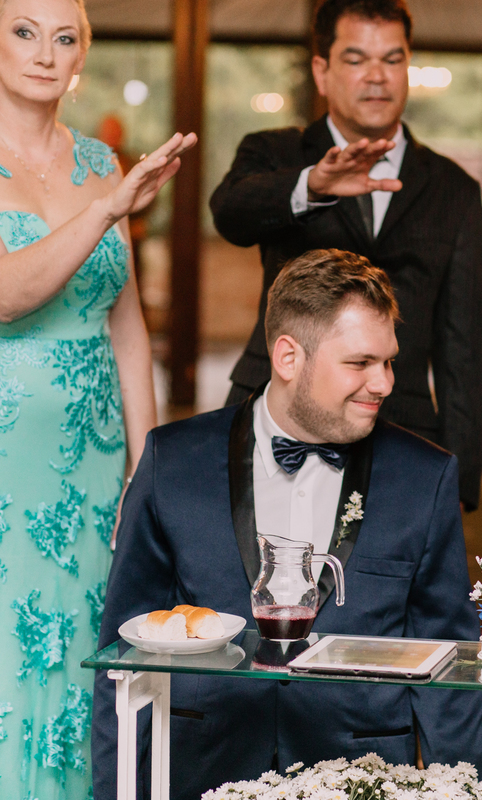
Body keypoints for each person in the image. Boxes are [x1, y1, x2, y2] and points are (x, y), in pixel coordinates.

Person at [91, 249, 482, 800]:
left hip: (363, 776)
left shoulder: (425, 477)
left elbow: (449, 666)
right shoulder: (173, 461)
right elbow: (122, 651)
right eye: (360, 363)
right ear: (287, 356)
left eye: (389, 362)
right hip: (200, 771)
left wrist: (471, 791)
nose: (383, 383)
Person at [0, 0, 195, 796]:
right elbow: (10, 294)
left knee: (87, 649)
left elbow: (128, 327)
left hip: (94, 458)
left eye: (65, 35)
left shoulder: (99, 163)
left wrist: (143, 472)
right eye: (22, 30)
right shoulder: (107, 191)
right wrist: (107, 212)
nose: (45, 52)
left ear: (82, 54)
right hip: (10, 462)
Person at [210, 0, 482, 510]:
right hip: (277, 412)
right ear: (322, 70)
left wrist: (461, 482)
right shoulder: (277, 154)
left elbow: (462, 346)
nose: (377, 77)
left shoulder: (454, 189)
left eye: (393, 59)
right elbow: (229, 215)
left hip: (401, 425)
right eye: (357, 59)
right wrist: (312, 186)